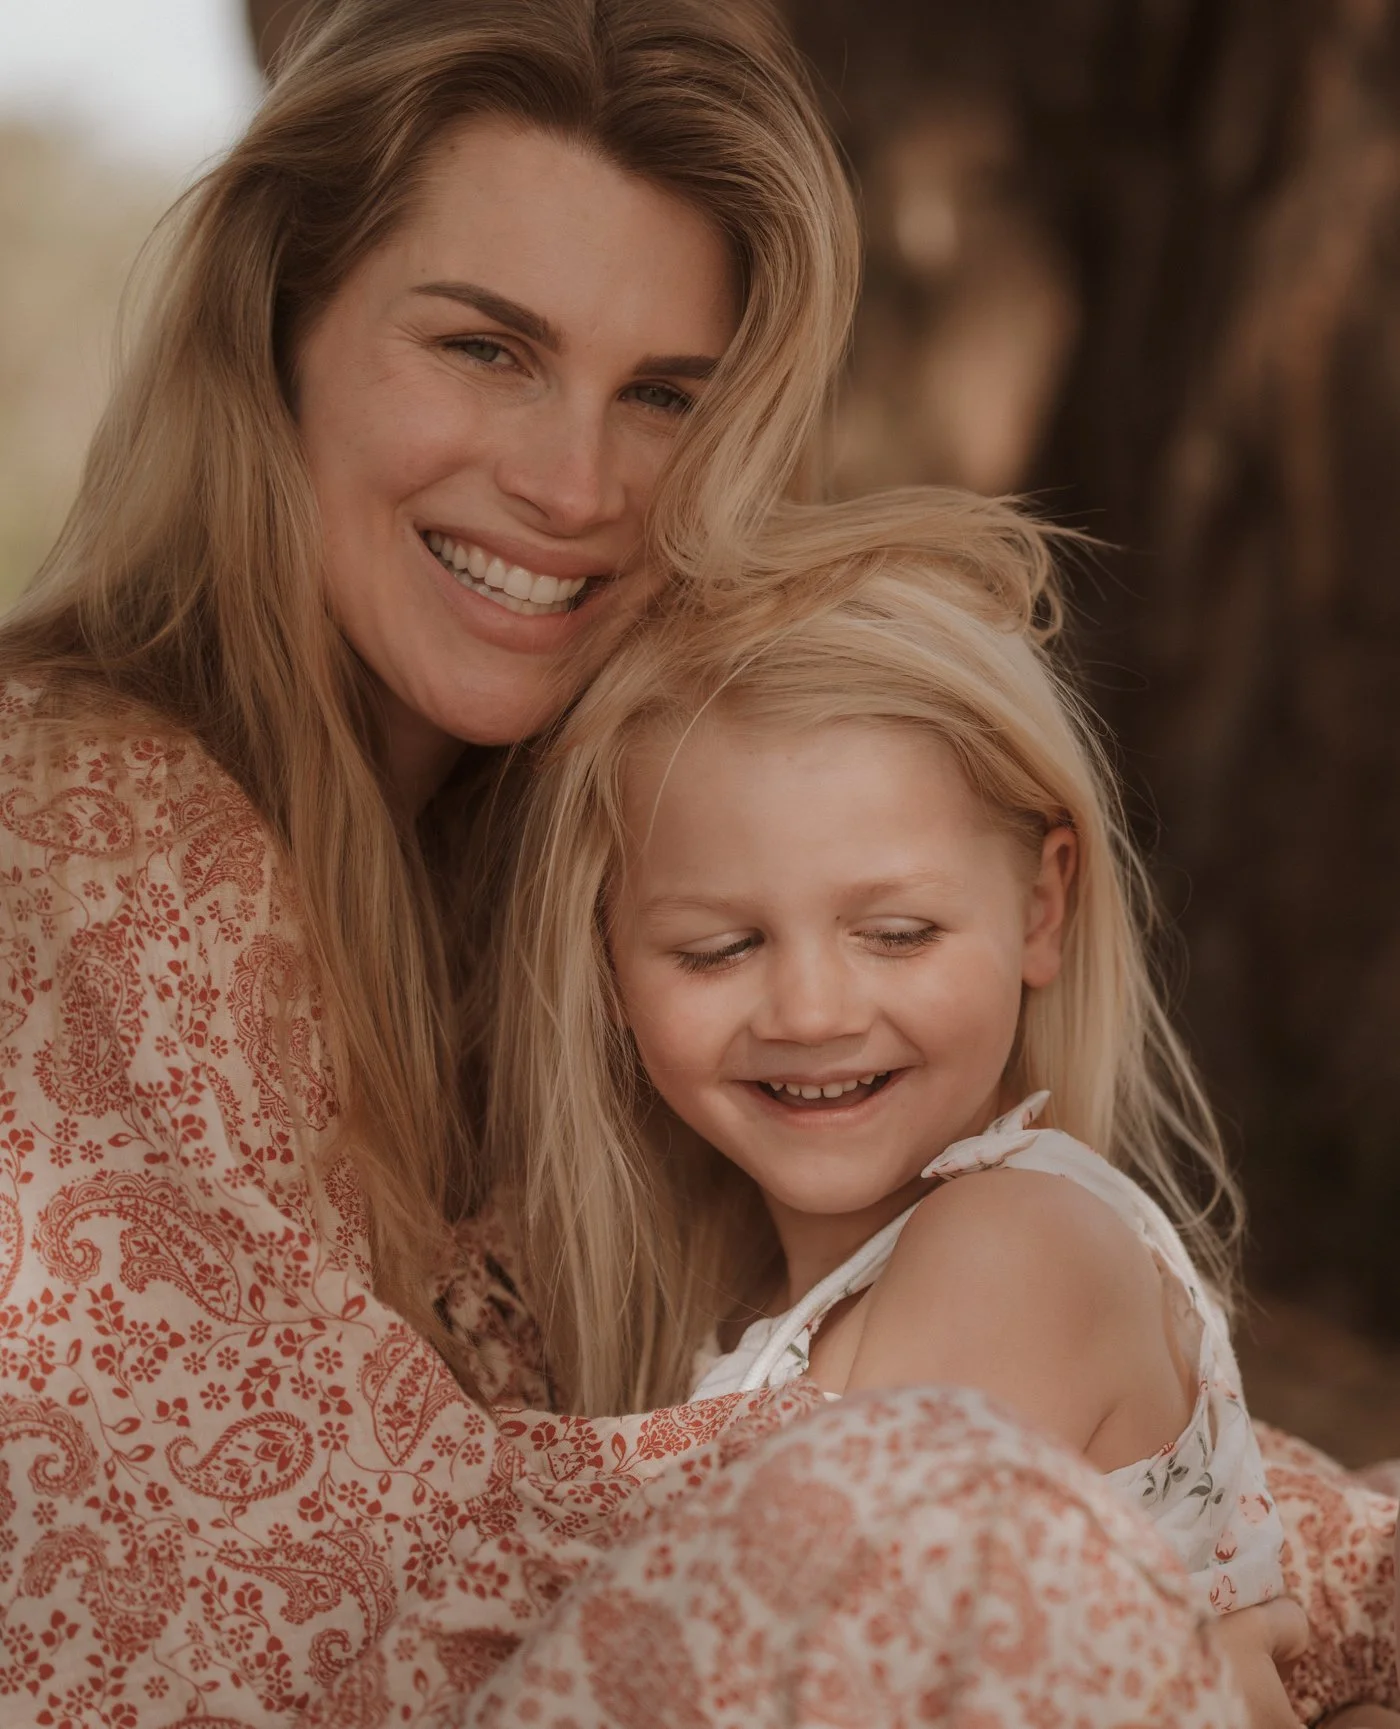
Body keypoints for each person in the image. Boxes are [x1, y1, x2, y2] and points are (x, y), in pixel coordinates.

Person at [0, 0, 1391, 1722]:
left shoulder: (594, 887)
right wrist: (1067, 1555)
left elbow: (1075, 1442)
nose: (574, 480)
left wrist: (1293, 1577)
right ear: (273, 333)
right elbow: (293, 1562)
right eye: (485, 349)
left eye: (665, 392)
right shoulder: (75, 819)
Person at [487, 488, 1285, 1612]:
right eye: (717, 948)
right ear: (606, 962)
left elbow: (771, 1648)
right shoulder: (743, 1293)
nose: (809, 1011)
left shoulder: (1016, 1245)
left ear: (1041, 909)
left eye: (896, 933)